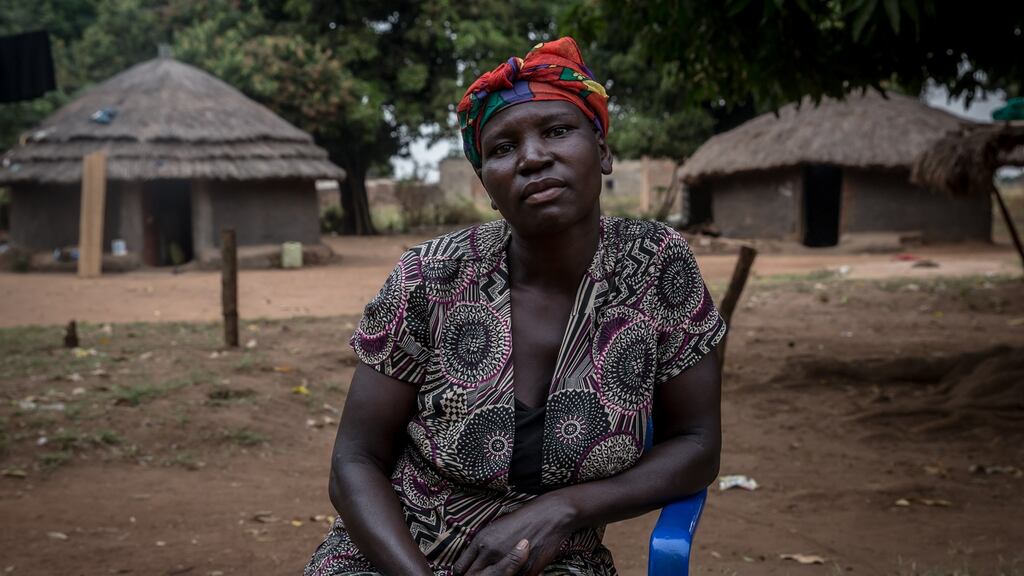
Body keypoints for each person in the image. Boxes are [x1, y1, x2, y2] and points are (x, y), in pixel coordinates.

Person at [304, 37, 726, 576]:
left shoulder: (656, 267)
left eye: (557, 131)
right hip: (393, 552)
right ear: (486, 183)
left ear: (601, 150)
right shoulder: (432, 276)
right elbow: (353, 462)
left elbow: (696, 445)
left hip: (554, 556)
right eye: (503, 148)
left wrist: (563, 510)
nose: (532, 157)